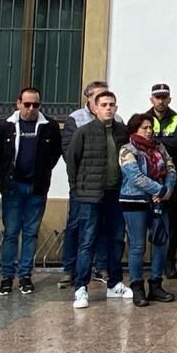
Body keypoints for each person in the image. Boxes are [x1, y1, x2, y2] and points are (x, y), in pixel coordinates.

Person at [0, 86, 62, 297]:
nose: (31, 109)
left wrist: (42, 171)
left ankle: (26, 276)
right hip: (13, 187)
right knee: (11, 232)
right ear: (18, 103)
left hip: (37, 187)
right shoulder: (5, 127)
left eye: (35, 105)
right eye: (27, 104)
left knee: (30, 233)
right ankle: (6, 277)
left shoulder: (49, 127)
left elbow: (54, 154)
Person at [64, 90, 127, 307]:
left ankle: (115, 283)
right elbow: (72, 161)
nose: (109, 108)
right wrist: (76, 188)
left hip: (115, 194)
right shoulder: (84, 132)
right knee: (87, 240)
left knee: (117, 238)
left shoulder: (122, 131)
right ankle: (81, 287)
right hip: (90, 195)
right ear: (95, 108)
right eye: (104, 105)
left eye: (112, 104)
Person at [120, 111, 177, 307]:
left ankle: (156, 284)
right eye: (144, 128)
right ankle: (137, 286)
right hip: (134, 202)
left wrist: (168, 190)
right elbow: (135, 177)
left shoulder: (159, 147)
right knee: (137, 246)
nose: (148, 131)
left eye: (150, 128)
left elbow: (171, 168)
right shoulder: (127, 150)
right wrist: (159, 189)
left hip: (159, 202)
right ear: (135, 129)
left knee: (161, 242)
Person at [58, 79, 108, 290]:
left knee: (104, 225)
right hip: (82, 184)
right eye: (99, 97)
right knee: (76, 225)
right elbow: (69, 152)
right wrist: (76, 180)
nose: (104, 102)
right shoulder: (75, 119)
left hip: (106, 184)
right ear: (89, 98)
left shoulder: (115, 119)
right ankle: (70, 269)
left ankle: (102, 266)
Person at [148, 83, 177, 279]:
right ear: (152, 99)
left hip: (171, 175)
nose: (161, 100)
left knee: (172, 220)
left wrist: (153, 140)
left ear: (169, 99)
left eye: (164, 97)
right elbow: (138, 140)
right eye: (157, 97)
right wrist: (163, 142)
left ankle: (169, 263)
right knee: (150, 218)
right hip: (149, 176)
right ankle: (153, 260)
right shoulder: (144, 118)